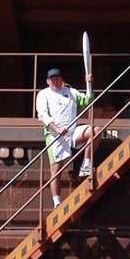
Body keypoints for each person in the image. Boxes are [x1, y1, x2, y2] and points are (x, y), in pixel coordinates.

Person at [35, 67, 92, 203]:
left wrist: (89, 84)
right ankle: (57, 202)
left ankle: (86, 164)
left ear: (62, 80)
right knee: (56, 170)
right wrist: (57, 128)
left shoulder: (71, 92)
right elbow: (42, 115)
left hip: (73, 132)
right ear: (48, 81)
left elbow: (88, 101)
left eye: (57, 78)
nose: (55, 81)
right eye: (52, 79)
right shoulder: (43, 94)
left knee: (95, 131)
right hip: (55, 136)